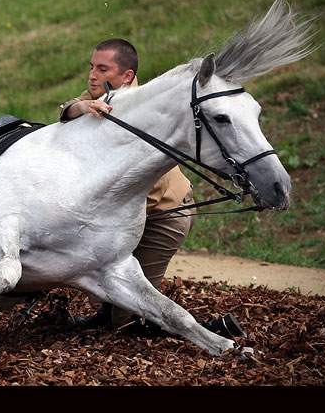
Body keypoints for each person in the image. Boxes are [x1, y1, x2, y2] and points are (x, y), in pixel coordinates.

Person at [59, 39, 245, 340]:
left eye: (102, 69)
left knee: (132, 311)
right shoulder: (100, 96)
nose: (92, 75)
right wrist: (81, 106)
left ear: (128, 76)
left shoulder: (143, 108)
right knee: (107, 284)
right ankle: (106, 315)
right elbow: (66, 110)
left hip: (165, 215)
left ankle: (211, 330)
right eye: (91, 67)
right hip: (132, 214)